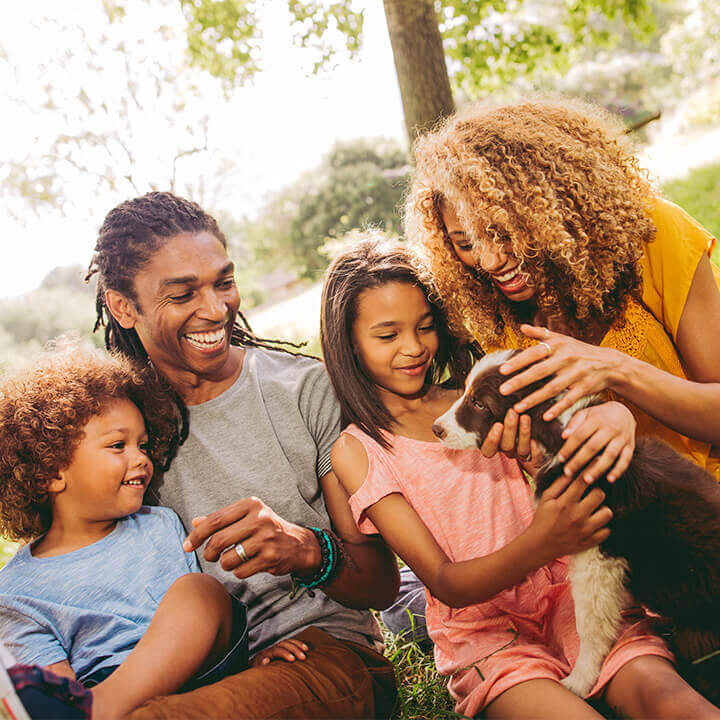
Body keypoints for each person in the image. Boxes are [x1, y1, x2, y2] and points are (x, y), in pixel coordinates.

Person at [320, 237, 720, 719]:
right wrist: (542, 541)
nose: (414, 347)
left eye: (425, 326)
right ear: (348, 344)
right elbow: (445, 582)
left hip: (572, 596)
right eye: (388, 335)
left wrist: (616, 416)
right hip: (488, 632)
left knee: (669, 698)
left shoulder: (480, 392)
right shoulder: (359, 451)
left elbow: (566, 440)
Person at [85, 191, 399, 719]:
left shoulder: (303, 392)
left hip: (324, 657)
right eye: (182, 294)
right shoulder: (113, 432)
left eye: (223, 282)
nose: (216, 310)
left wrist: (305, 550)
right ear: (123, 306)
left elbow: (380, 583)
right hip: (186, 669)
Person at [404, 97, 720, 482]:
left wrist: (616, 370)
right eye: (466, 243)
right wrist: (537, 456)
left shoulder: (654, 237)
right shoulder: (501, 321)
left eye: (501, 232)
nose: (488, 261)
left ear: (548, 207)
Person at [0, 342, 257, 720]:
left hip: (197, 667)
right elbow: (49, 689)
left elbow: (210, 619)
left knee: (198, 590)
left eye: (143, 444)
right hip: (100, 684)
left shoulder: (160, 524)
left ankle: (102, 710)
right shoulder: (16, 593)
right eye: (118, 445)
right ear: (52, 472)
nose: (140, 458)